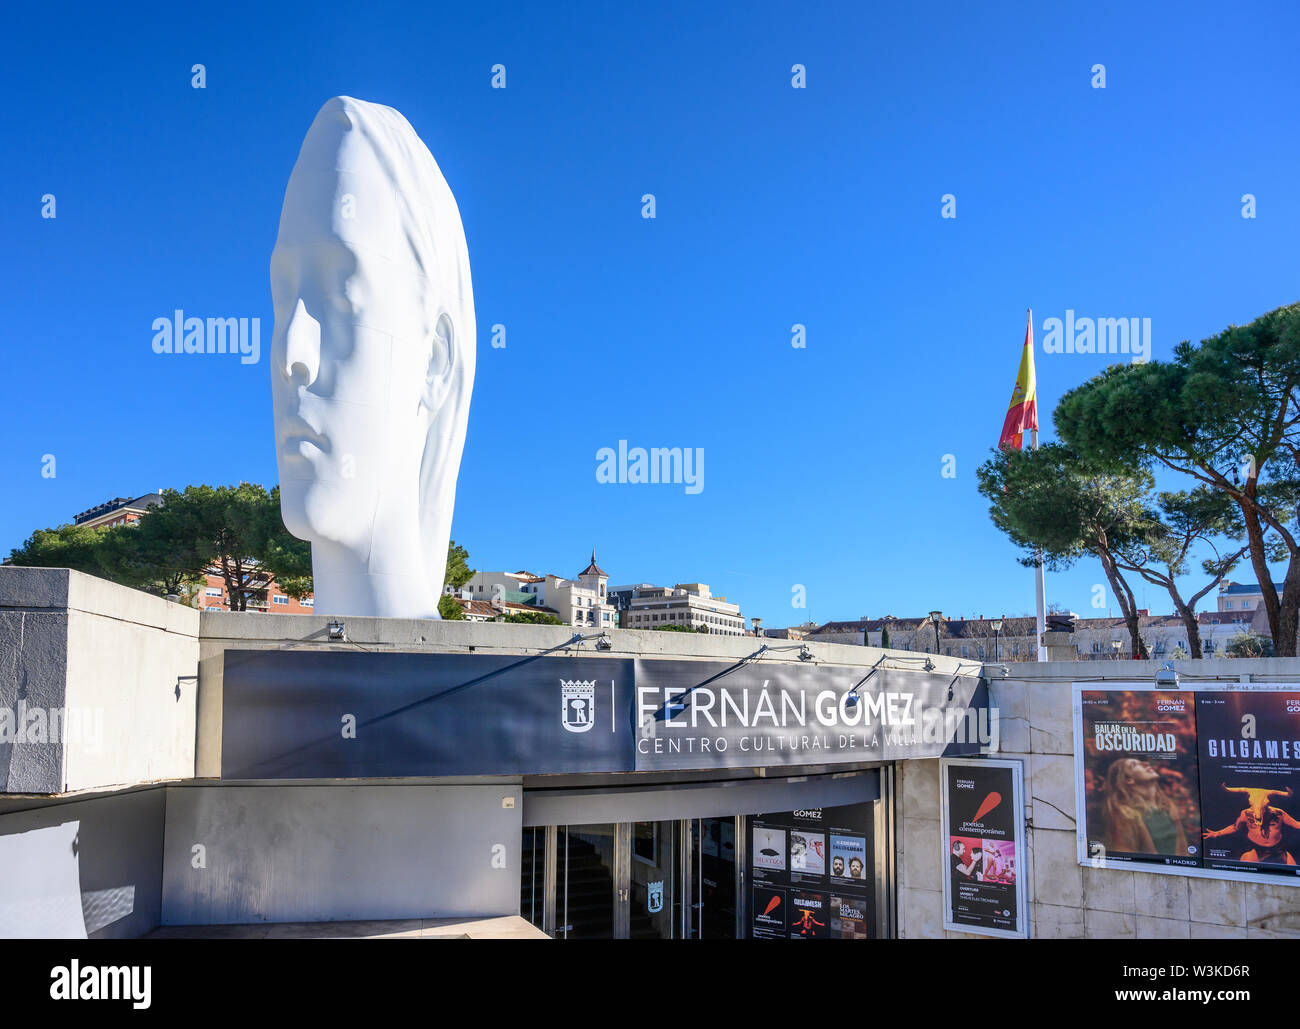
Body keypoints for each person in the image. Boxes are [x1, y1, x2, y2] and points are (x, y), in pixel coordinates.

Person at [1101, 758, 1188, 856]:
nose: (1146, 763)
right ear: (1128, 780)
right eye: (1134, 765)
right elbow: (1124, 856)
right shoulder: (1125, 815)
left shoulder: (1168, 807)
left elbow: (1183, 851)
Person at [1203, 784, 1300, 864]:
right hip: (1256, 848)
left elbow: (1296, 824)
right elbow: (1235, 827)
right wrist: (1217, 833)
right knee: (1246, 868)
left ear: (1267, 803)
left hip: (1278, 848)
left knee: (1293, 870)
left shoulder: (1279, 813)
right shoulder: (1246, 813)